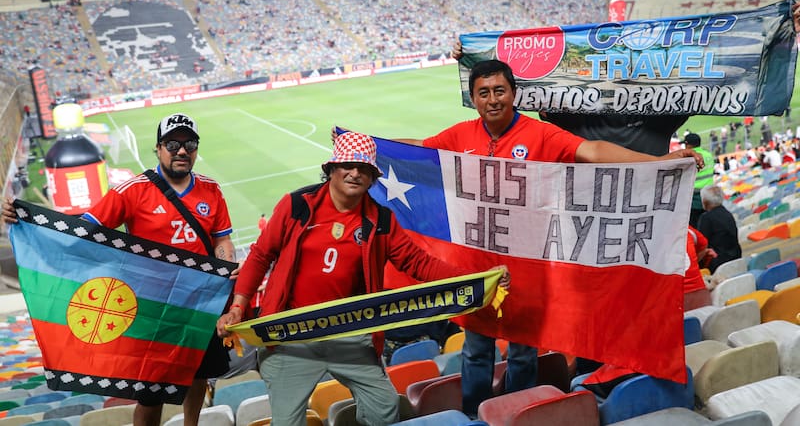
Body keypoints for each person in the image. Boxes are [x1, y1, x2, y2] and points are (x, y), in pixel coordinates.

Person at [393, 59, 703, 416]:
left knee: (523, 353)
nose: (493, 99)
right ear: (474, 99)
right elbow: (418, 147)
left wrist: (660, 160)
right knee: (476, 351)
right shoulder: (460, 135)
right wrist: (365, 149)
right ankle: (475, 416)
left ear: (513, 94)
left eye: (499, 91)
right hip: (475, 270)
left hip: (527, 270)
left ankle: (518, 415)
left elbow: (593, 151)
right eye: (484, 93)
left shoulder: (539, 135)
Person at [216, 131, 509, 426]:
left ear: (372, 177)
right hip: (291, 336)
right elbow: (260, 255)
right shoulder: (297, 206)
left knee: (384, 408)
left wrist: (476, 279)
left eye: (365, 169)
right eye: (348, 165)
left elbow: (418, 263)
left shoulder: (380, 220)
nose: (355, 173)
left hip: (349, 333)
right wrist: (238, 307)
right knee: (287, 422)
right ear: (331, 169)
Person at [4, 113, 236, 426]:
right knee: (150, 392)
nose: (182, 150)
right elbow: (83, 232)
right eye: (173, 143)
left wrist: (225, 269)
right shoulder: (132, 191)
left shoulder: (211, 189)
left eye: (189, 143)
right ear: (158, 148)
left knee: (200, 374)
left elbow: (222, 240)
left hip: (200, 304)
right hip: (154, 309)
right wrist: (27, 219)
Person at [696, 185, 742, 273]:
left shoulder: (706, 218)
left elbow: (701, 245)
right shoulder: (727, 213)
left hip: (718, 264)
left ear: (705, 202)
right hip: (735, 258)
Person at [681, 133, 715, 228]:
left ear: (688, 144)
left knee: (695, 226)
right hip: (708, 194)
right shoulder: (708, 155)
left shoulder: (688, 158)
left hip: (694, 197)